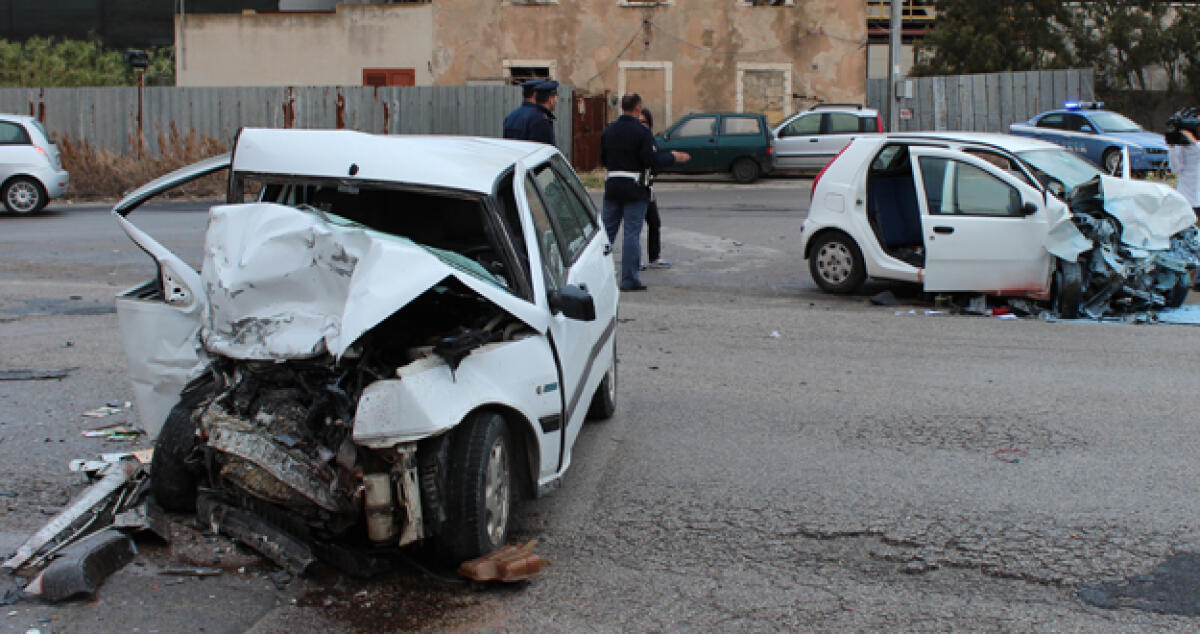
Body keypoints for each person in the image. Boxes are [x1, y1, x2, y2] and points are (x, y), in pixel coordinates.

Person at [600, 93, 689, 291]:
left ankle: (595, 276)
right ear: (638, 107)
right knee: (631, 234)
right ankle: (629, 279)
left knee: (605, 235)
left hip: (612, 186)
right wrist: (673, 157)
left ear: (622, 107)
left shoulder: (609, 130)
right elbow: (651, 160)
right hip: (634, 187)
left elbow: (603, 159)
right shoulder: (642, 132)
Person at [637, 107, 670, 270]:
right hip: (636, 188)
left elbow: (655, 162)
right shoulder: (635, 140)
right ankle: (635, 260)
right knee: (634, 226)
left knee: (654, 222)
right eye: (639, 122)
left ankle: (654, 257)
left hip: (648, 187)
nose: (642, 125)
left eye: (644, 122)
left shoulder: (650, 140)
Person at [1168, 127, 1200, 288]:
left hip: (1198, 197)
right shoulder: (1182, 146)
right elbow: (1175, 168)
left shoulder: (1196, 146)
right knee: (1183, 239)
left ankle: (1198, 278)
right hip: (1186, 199)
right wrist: (1172, 148)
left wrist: (1192, 142)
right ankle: (1182, 276)